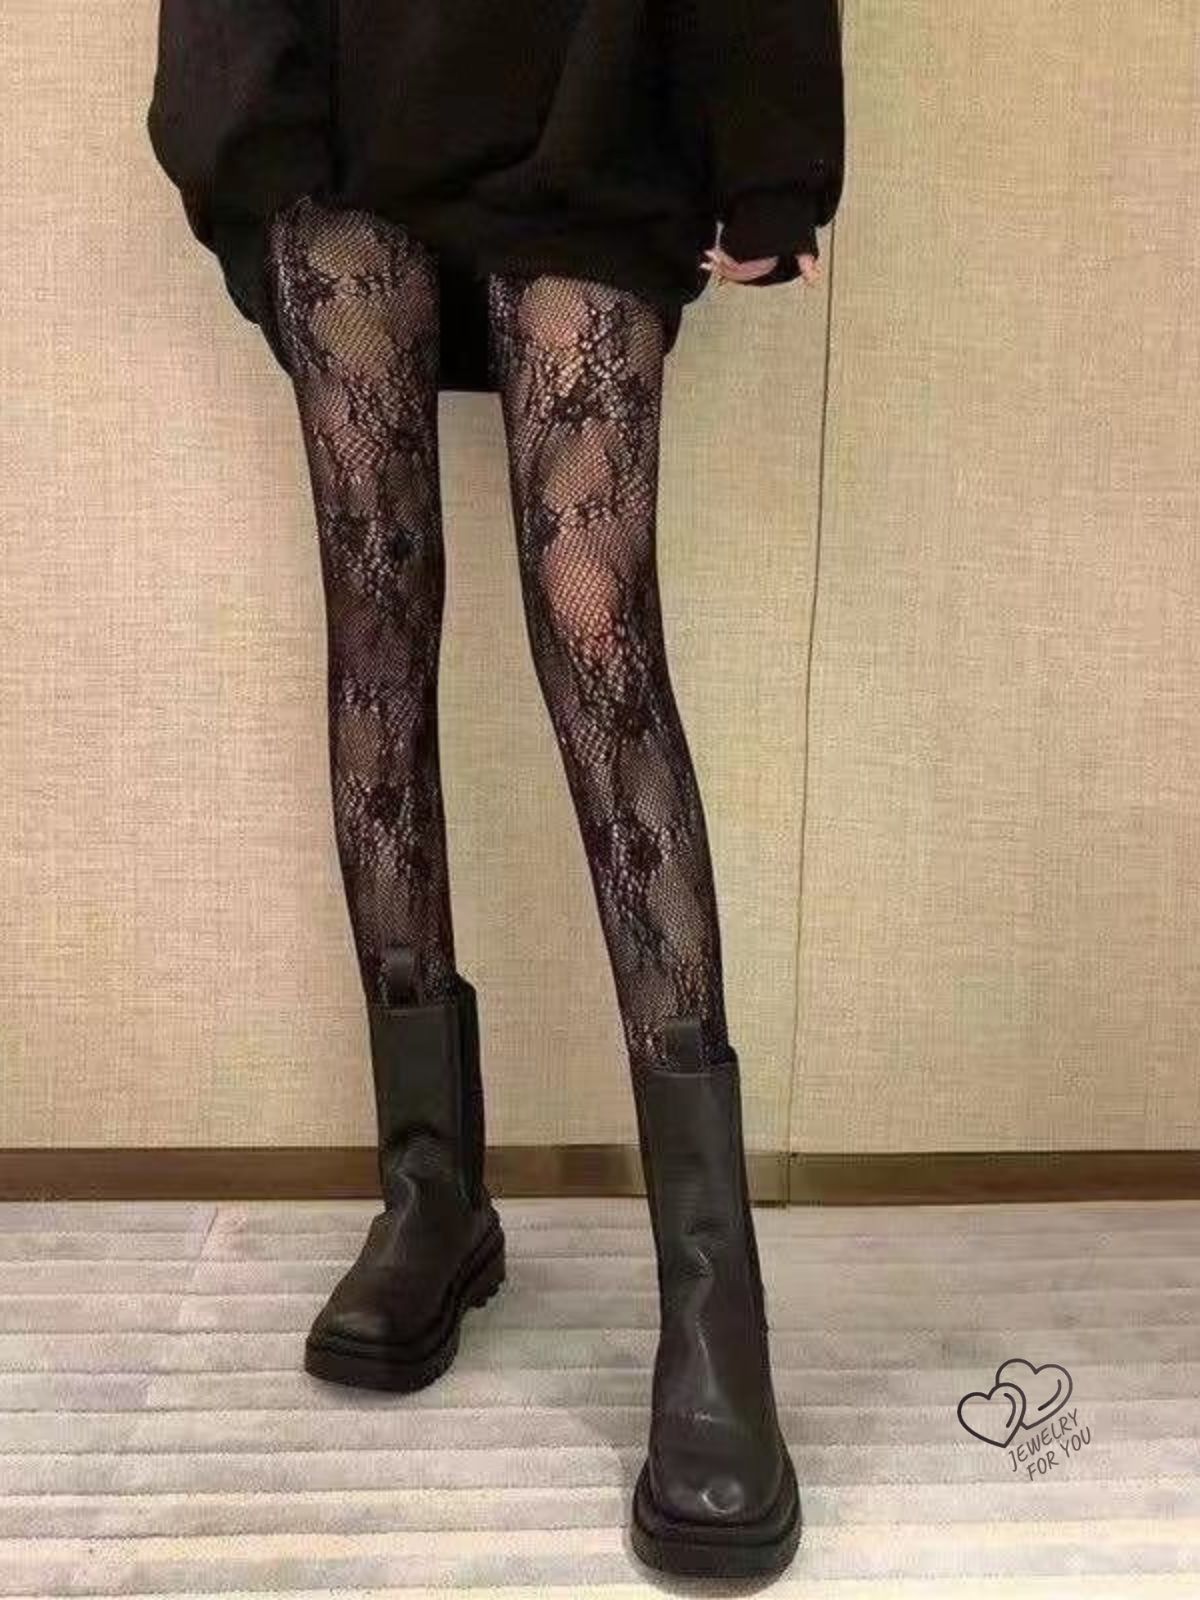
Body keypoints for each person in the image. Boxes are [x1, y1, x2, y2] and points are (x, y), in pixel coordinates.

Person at [147, 0, 844, 1579]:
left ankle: (711, 1294)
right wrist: (243, 138)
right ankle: (432, 1191)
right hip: (342, 106)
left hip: (595, 94)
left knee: (602, 644)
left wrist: (772, 153)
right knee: (377, 627)